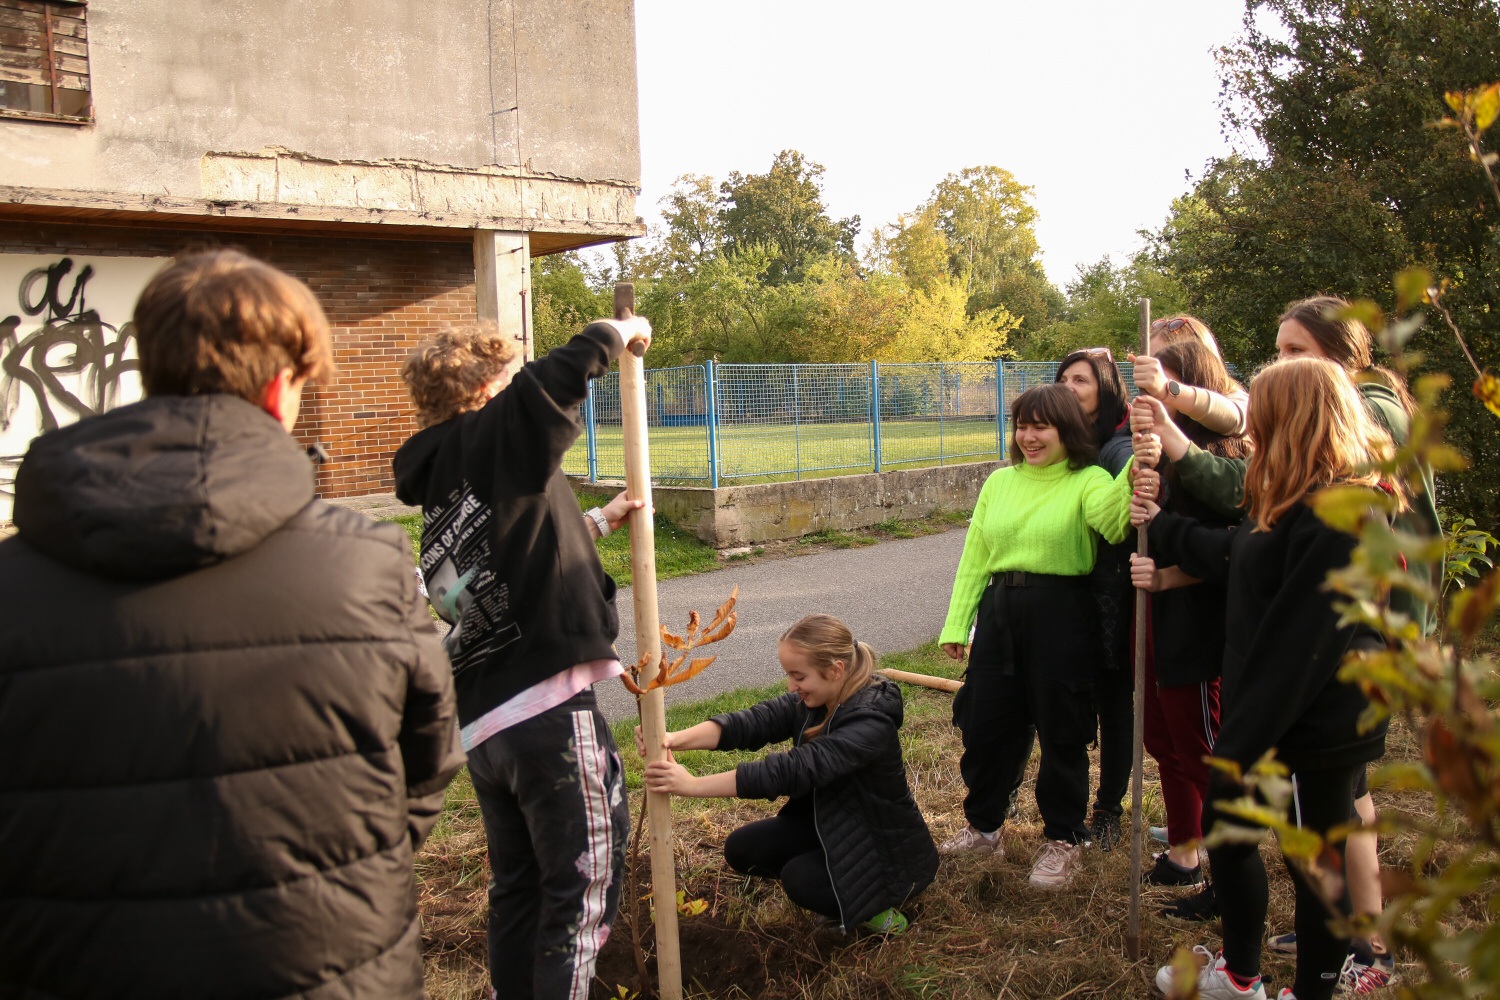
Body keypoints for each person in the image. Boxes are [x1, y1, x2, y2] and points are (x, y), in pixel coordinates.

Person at [0, 249, 466, 999]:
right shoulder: (366, 568)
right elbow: (427, 761)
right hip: (323, 961)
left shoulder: (13, 583)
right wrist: (341, 864)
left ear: (152, 369)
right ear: (281, 387)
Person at [393, 317, 649, 1000]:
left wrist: (595, 523)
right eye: (505, 377)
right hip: (547, 712)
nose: (515, 387)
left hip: (488, 724)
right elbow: (553, 380)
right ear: (485, 388)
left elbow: (496, 563)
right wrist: (617, 330)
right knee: (581, 888)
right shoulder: (497, 436)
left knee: (522, 890)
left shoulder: (448, 477)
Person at [1138, 358, 1399, 1000]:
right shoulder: (1291, 498)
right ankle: (1241, 974)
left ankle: (1311, 990)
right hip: (1271, 712)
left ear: (1296, 418)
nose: (1250, 425)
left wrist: (1244, 741)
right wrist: (1162, 524)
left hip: (1314, 722)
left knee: (1313, 863)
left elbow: (1301, 649)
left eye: (1264, 412)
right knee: (1232, 835)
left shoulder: (1346, 514)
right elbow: (1236, 553)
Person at [938, 383, 1136, 889]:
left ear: (1066, 430)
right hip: (1000, 612)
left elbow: (1115, 524)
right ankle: (984, 827)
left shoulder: (1088, 479)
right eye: (1022, 425)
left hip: (1062, 614)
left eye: (1041, 426)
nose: (1028, 436)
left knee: (1063, 728)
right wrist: (958, 623)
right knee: (986, 724)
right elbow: (975, 556)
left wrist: (1141, 465)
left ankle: (1063, 838)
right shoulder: (999, 483)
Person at [640, 614, 939, 934]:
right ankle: (834, 879)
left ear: (836, 670)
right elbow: (754, 722)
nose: (792, 686)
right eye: (789, 675)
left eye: (799, 676)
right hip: (830, 822)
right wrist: (673, 739)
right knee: (742, 849)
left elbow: (792, 770)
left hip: (884, 851)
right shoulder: (820, 698)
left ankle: (882, 916)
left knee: (801, 879)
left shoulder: (870, 723)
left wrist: (693, 785)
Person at [1128, 340, 1248, 893]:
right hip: (1157, 615)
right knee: (1163, 740)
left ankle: (1233, 875)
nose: (1151, 400)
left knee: (1200, 747)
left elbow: (1231, 550)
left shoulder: (1224, 460)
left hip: (1197, 623)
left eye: (1164, 386)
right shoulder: (1152, 452)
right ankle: (1184, 853)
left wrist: (1171, 575)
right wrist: (1143, 488)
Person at [1055, 347, 1135, 850]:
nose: (1069, 388)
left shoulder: (1116, 446)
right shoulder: (1060, 442)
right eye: (1063, 379)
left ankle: (1108, 808)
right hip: (1066, 592)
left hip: (1110, 595)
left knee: (1112, 701)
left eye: (1081, 380)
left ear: (1105, 389)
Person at [1131, 314, 1251, 437]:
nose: (1153, 376)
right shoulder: (1148, 410)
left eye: (1160, 366)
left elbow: (1239, 420)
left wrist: (1168, 389)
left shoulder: (1235, 397)